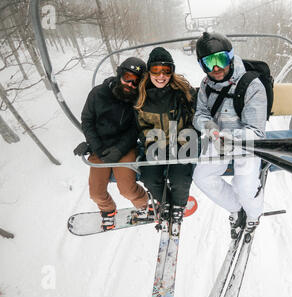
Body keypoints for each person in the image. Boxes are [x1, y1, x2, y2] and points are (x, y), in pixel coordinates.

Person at [192, 32, 267, 239]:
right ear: (202, 65)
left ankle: (253, 214)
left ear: (231, 57)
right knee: (202, 177)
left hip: (246, 143)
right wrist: (208, 126)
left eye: (221, 59)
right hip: (217, 139)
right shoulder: (206, 85)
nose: (216, 68)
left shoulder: (251, 84)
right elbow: (200, 113)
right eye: (209, 63)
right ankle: (236, 208)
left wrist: (230, 138)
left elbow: (257, 131)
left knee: (244, 186)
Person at [73, 57, 149, 230]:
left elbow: (135, 128)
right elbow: (87, 121)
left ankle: (143, 203)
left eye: (136, 81)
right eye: (127, 77)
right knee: (96, 192)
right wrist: (96, 147)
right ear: (119, 74)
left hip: (124, 147)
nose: (130, 84)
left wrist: (119, 149)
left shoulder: (137, 100)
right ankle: (108, 210)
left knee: (127, 189)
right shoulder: (98, 93)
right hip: (100, 147)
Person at [135, 47, 196, 223]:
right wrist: (150, 141)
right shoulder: (141, 95)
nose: (161, 76)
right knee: (149, 177)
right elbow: (139, 125)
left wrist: (185, 140)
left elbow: (196, 117)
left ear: (172, 71)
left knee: (180, 178)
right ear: (149, 70)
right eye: (156, 70)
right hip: (156, 143)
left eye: (166, 70)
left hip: (181, 143)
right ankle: (166, 202)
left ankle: (179, 206)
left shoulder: (183, 91)